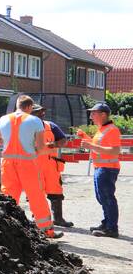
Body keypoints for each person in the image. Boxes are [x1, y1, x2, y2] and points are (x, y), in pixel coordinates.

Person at [0, 95, 58, 237]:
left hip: (8, 163)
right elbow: (40, 147)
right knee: (36, 195)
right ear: (29, 107)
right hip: (28, 163)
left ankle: (7, 227)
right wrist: (49, 147)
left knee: (8, 195)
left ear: (17, 105)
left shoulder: (3, 119)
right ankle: (45, 230)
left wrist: (7, 141)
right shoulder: (35, 121)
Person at [77, 102, 122, 238]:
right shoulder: (102, 129)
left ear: (103, 115)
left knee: (107, 198)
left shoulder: (111, 130)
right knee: (102, 197)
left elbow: (115, 151)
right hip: (102, 168)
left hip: (107, 168)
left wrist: (90, 145)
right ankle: (107, 223)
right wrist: (86, 139)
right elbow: (99, 146)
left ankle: (112, 228)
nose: (91, 116)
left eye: (93, 113)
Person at [31, 104, 73, 228]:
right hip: (34, 165)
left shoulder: (51, 126)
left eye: (41, 112)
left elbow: (63, 140)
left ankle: (58, 219)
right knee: (36, 192)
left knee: (56, 191)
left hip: (51, 165)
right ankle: (37, 219)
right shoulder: (26, 128)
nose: (41, 114)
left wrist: (53, 145)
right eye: (38, 112)